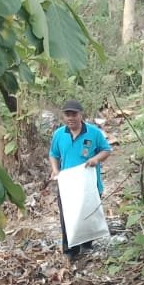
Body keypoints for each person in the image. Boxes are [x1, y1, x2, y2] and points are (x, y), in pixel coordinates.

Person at [49, 99, 112, 260]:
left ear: (80, 115)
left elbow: (106, 150)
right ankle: (70, 250)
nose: (70, 118)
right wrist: (55, 170)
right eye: (67, 114)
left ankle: (87, 244)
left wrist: (96, 159)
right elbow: (53, 155)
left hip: (88, 182)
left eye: (74, 114)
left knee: (87, 213)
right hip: (68, 183)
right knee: (67, 217)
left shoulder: (94, 132)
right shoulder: (59, 135)